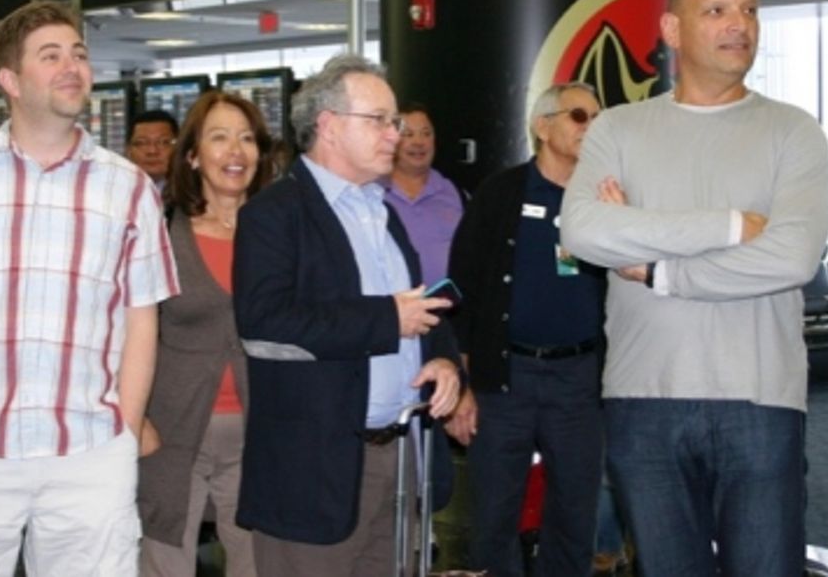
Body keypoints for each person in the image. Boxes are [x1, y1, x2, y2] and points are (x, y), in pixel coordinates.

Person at [0, 1, 179, 576]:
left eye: (79, 53)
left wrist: (125, 432)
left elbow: (142, 321)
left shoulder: (129, 190)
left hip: (90, 454)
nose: (72, 66)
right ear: (10, 80)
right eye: (51, 56)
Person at [560, 0, 828, 577]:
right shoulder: (618, 130)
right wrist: (733, 226)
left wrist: (660, 270)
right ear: (672, 30)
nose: (739, 24)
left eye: (749, 10)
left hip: (760, 400)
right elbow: (584, 231)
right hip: (642, 399)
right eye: (716, 10)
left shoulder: (794, 133)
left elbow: (791, 257)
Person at [232, 54, 461, 575]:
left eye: (395, 120)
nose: (394, 134)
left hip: (400, 459)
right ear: (329, 126)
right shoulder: (274, 215)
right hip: (316, 470)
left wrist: (444, 362)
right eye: (378, 120)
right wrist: (385, 321)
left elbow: (419, 308)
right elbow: (264, 324)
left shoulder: (381, 212)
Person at [445, 82, 607, 577]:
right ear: (543, 126)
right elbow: (463, 287)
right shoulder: (502, 193)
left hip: (579, 378)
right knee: (495, 511)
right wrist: (464, 382)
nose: (592, 127)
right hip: (506, 376)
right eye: (580, 116)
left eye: (599, 118)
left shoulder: (606, 197)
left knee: (576, 512)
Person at [138, 91, 275, 577]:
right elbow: (128, 335)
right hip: (170, 434)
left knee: (256, 561)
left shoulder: (279, 235)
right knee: (164, 560)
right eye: (219, 138)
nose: (235, 152)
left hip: (259, 434)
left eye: (246, 139)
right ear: (193, 155)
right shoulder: (157, 234)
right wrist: (134, 418)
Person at [383, 104, 464, 287]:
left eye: (426, 134)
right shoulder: (372, 194)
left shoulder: (454, 193)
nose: (419, 142)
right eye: (408, 134)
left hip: (446, 310)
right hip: (393, 310)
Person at [128, 109, 180, 189]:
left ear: (178, 147)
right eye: (142, 143)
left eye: (163, 142)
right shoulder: (111, 193)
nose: (152, 151)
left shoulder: (193, 194)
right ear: (128, 150)